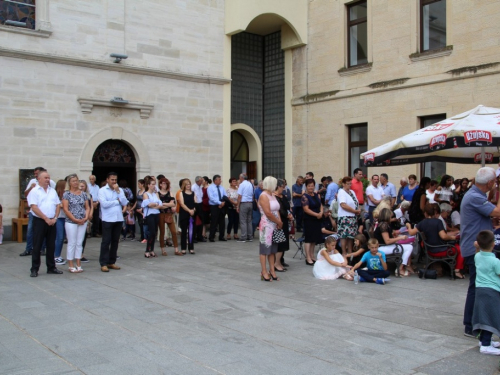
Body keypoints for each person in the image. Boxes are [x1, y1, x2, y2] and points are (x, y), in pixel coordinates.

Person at [460, 167, 500, 337]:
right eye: (495, 182)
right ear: (490, 183)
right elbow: (497, 211)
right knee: (477, 287)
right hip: (475, 248)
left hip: (475, 246)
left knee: (477, 286)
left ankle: (473, 323)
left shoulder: (475, 194)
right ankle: (470, 325)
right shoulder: (474, 196)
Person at [406, 203, 464, 279]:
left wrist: (408, 225)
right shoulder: (438, 222)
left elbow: (411, 232)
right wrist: (453, 238)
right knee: (461, 249)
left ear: (426, 213)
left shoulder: (423, 222)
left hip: (429, 249)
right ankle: (457, 271)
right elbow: (443, 236)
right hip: (440, 249)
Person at [28, 171, 63, 277]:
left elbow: (58, 205)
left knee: (51, 245)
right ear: (39, 179)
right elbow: (34, 207)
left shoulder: (52, 191)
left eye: (49, 177)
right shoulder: (34, 191)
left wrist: (55, 218)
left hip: (52, 221)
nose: (48, 179)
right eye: (45, 178)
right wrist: (45, 218)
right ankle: (34, 269)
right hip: (40, 221)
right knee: (37, 245)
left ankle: (51, 267)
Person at [472, 230, 500, 355]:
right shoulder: (496, 262)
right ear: (493, 244)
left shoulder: (477, 256)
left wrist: (477, 247)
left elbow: (478, 252)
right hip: (492, 291)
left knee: (483, 315)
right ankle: (486, 344)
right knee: (491, 317)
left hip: (480, 289)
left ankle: (484, 340)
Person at [20, 167, 56, 257]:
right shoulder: (33, 182)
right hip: (36, 213)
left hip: (49, 214)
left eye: (37, 173)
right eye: (35, 174)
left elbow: (55, 200)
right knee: (31, 231)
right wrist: (31, 188)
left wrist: (54, 217)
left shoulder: (52, 185)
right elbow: (26, 194)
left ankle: (43, 249)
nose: (35, 175)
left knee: (47, 235)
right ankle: (29, 249)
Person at [98, 172, 128, 272]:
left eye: (115, 180)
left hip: (118, 218)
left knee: (115, 241)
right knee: (106, 241)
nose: (114, 182)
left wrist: (118, 192)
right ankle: (103, 263)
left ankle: (112, 261)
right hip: (108, 218)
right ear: (107, 180)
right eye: (112, 180)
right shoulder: (102, 190)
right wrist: (117, 201)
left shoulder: (119, 190)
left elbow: (125, 202)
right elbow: (104, 204)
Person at [62, 174, 90, 273]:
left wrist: (86, 217)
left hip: (82, 220)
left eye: (77, 181)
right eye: (73, 181)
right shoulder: (67, 194)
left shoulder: (83, 194)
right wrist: (74, 219)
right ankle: (70, 264)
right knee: (72, 242)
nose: (75, 183)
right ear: (69, 183)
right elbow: (66, 209)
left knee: (79, 242)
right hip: (71, 221)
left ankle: (78, 262)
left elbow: (87, 207)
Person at [374, 208, 413, 276]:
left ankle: (402, 267)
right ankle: (401, 268)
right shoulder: (384, 225)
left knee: (407, 247)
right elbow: (387, 241)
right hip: (383, 247)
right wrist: (400, 238)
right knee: (409, 247)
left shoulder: (382, 224)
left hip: (382, 246)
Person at [257, 176, 282, 282]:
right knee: (264, 249)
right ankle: (264, 271)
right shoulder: (263, 196)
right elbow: (267, 213)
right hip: (266, 225)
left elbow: (276, 210)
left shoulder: (272, 194)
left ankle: (272, 270)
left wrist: (279, 222)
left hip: (274, 225)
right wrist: (278, 221)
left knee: (272, 250)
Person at [337, 176, 361, 257]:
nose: (349, 185)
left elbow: (355, 203)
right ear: (343, 184)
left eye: (350, 184)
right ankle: (344, 252)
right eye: (348, 184)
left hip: (353, 217)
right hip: (345, 217)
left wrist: (357, 210)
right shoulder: (341, 192)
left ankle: (350, 252)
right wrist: (354, 211)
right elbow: (343, 205)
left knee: (351, 236)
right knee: (344, 235)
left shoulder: (352, 192)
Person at [302, 178, 324, 265]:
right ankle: (307, 257)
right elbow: (306, 209)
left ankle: (312, 255)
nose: (311, 187)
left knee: (314, 239)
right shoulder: (305, 196)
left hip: (317, 219)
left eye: (312, 186)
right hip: (309, 219)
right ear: (306, 187)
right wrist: (316, 214)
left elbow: (320, 204)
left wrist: (321, 212)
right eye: (309, 186)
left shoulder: (315, 194)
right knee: (309, 239)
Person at [157, 178, 180, 256]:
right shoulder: (157, 194)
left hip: (169, 214)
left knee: (173, 231)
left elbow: (173, 204)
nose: (164, 185)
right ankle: (163, 250)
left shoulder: (170, 193)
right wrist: (167, 204)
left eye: (166, 184)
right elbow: (158, 206)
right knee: (162, 232)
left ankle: (176, 249)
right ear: (160, 184)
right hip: (160, 214)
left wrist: (163, 204)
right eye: (163, 183)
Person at [274, 179, 293, 272]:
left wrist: (290, 214)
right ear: (278, 186)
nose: (284, 188)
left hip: (286, 221)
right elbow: (279, 209)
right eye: (282, 186)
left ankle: (281, 260)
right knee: (280, 242)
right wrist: (286, 215)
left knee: (284, 241)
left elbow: (287, 206)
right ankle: (276, 262)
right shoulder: (275, 197)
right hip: (279, 221)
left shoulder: (283, 196)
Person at [142, 177, 163, 258]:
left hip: (156, 214)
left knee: (154, 232)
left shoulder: (156, 194)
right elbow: (149, 204)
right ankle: (147, 250)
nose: (154, 186)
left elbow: (160, 204)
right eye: (152, 184)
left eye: (155, 184)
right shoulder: (145, 194)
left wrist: (155, 204)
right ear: (148, 185)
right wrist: (155, 204)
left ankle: (152, 250)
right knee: (152, 232)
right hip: (150, 214)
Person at [178, 179, 196, 254]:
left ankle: (191, 247)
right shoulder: (181, 193)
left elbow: (195, 203)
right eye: (187, 184)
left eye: (189, 184)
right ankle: (183, 248)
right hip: (184, 213)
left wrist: (193, 210)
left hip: (192, 214)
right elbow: (182, 204)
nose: (188, 185)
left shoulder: (193, 193)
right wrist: (189, 210)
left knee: (191, 231)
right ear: (184, 185)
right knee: (184, 231)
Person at [236, 173, 254, 243]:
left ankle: (243, 237)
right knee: (249, 221)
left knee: (243, 220)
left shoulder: (242, 185)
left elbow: (239, 196)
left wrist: (238, 205)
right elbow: (252, 195)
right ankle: (250, 236)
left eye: (239, 178)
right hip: (250, 203)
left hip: (244, 203)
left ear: (241, 178)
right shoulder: (250, 184)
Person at [54, 179, 67, 266]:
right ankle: (56, 256)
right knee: (60, 237)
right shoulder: (56, 195)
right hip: (59, 218)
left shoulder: (67, 195)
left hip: (65, 218)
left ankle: (58, 255)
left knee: (63, 238)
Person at [192, 176, 206, 242]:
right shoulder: (193, 187)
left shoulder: (200, 187)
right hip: (195, 204)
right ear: (197, 181)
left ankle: (199, 236)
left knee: (201, 220)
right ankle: (193, 236)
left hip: (200, 204)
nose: (202, 182)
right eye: (201, 181)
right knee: (194, 221)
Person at [135, 179, 146, 243]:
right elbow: (136, 201)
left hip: (142, 209)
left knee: (142, 223)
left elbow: (145, 201)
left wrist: (141, 209)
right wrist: (133, 208)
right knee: (139, 223)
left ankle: (143, 236)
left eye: (139, 184)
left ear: (142, 184)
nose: (138, 185)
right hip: (137, 208)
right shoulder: (139, 191)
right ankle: (142, 236)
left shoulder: (145, 192)